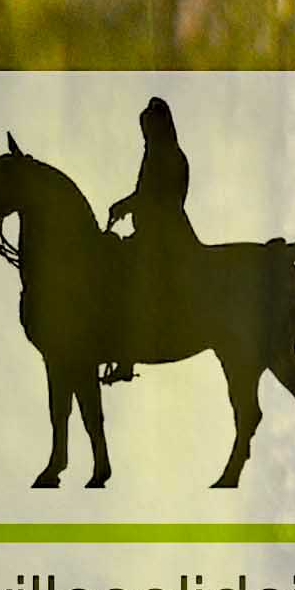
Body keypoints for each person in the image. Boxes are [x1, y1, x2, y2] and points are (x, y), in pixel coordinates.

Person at [94, 97, 193, 385]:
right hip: (151, 232)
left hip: (165, 235)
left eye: (150, 126)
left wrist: (128, 204)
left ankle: (126, 355)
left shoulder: (170, 156)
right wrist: (129, 205)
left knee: (131, 276)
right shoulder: (155, 155)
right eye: (144, 128)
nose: (146, 133)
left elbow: (160, 197)